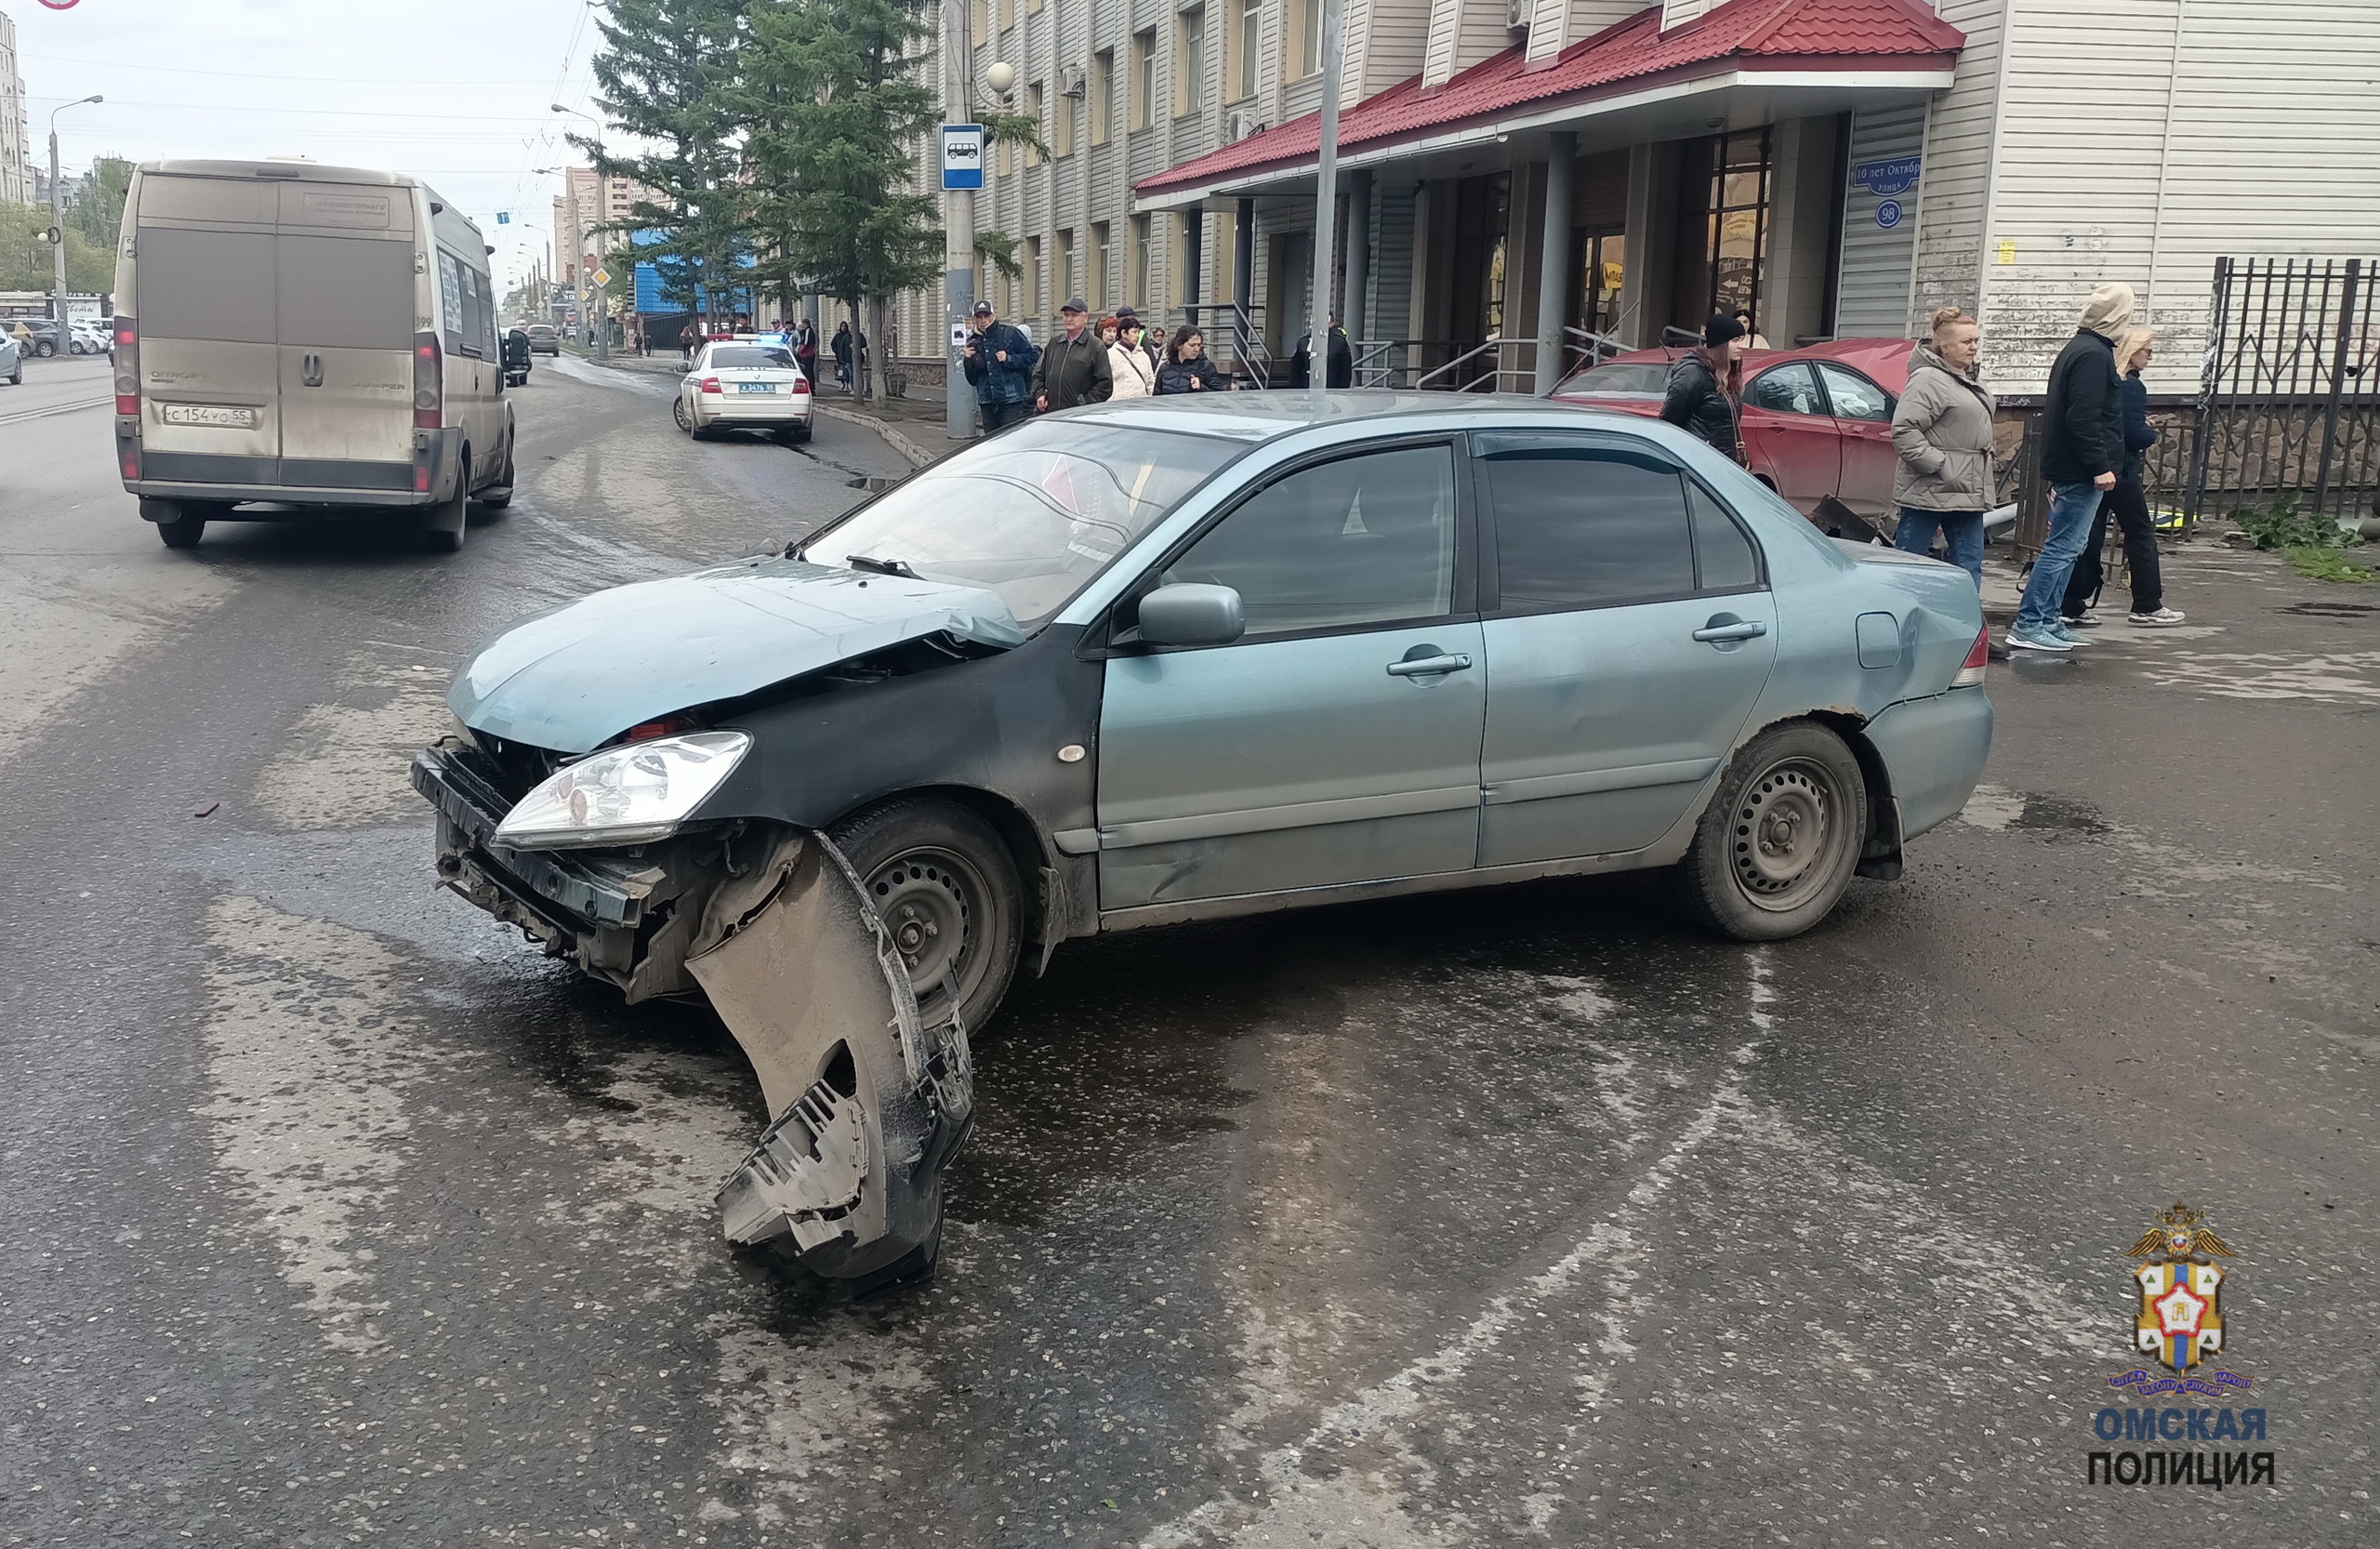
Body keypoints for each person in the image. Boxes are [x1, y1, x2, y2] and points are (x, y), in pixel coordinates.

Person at [2009, 283, 2133, 654]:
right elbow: (2083, 416)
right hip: (2081, 469)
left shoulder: (2082, 349)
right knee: (2063, 548)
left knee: (2069, 546)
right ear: (2117, 318)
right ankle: (2031, 622)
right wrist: (2099, 465)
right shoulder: (2094, 355)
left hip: (2074, 466)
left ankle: (2047, 619)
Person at [2061, 327, 2184, 627]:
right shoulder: (2131, 385)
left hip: (2099, 467)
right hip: (2122, 470)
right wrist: (2149, 431)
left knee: (2091, 533)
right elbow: (2133, 434)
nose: (2151, 356)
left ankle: (2073, 602)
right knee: (2140, 533)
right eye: (2147, 350)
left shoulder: (2110, 380)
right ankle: (2147, 604)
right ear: (2131, 351)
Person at [1889, 307, 1995, 589]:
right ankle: (1902, 623)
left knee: (1969, 567)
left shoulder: (1964, 377)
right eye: (1966, 342)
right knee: (1908, 566)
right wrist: (1940, 466)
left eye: (1976, 340)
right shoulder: (1928, 379)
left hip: (1967, 491)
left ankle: (1966, 628)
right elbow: (1903, 430)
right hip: (1930, 489)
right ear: (1944, 347)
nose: (1974, 347)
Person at [1660, 313, 1745, 459]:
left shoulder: (1727, 375)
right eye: (1735, 341)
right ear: (1721, 344)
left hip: (1721, 461)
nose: (1740, 346)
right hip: (1698, 461)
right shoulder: (1693, 374)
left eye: (1741, 340)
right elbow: (1671, 420)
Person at [960, 299, 1038, 432]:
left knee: (1011, 441)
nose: (983, 320)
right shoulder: (973, 341)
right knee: (992, 445)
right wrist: (967, 360)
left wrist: (1009, 359)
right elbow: (972, 380)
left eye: (986, 316)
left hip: (1011, 401)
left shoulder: (1010, 333)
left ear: (993, 315)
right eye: (979, 317)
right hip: (987, 403)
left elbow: (1032, 356)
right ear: (975, 319)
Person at [1032, 297, 1113, 411]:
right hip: (1050, 413)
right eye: (1066, 315)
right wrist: (1040, 394)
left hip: (1078, 417)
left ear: (1085, 318)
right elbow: (1038, 374)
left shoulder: (1096, 346)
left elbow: (1105, 385)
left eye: (1074, 315)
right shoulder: (1054, 344)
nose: (1069, 319)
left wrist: (1084, 403)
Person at [1156, 327, 1226, 394]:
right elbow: (1156, 396)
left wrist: (1201, 387)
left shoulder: (1206, 366)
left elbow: (1219, 395)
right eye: (1192, 345)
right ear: (1179, 345)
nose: (1196, 349)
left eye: (1199, 345)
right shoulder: (1165, 367)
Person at [1289, 320, 1355, 388]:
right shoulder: (1303, 342)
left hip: (1332, 387)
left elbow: (1345, 371)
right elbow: (1295, 370)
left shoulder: (1339, 342)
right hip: (1306, 387)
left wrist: (1341, 390)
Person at [1104, 314, 1155, 399]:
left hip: (1140, 407)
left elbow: (1150, 383)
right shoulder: (1110, 355)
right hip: (1117, 407)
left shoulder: (1144, 356)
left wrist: (1148, 399)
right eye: (1134, 332)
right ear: (1124, 333)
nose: (1137, 336)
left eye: (1138, 332)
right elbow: (1104, 383)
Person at [790, 316, 819, 386]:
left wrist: (800, 351)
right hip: (808, 354)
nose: (803, 326)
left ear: (807, 324)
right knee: (809, 371)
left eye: (804, 324)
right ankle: (811, 386)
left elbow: (805, 343)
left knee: (808, 371)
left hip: (807, 354)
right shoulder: (806, 331)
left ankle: (811, 386)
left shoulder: (808, 331)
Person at [831, 322, 854, 389]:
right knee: (841, 370)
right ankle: (842, 383)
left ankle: (848, 383)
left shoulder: (848, 336)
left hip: (847, 356)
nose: (844, 328)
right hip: (840, 356)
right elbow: (833, 344)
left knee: (848, 371)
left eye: (845, 326)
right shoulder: (838, 336)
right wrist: (836, 351)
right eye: (842, 326)